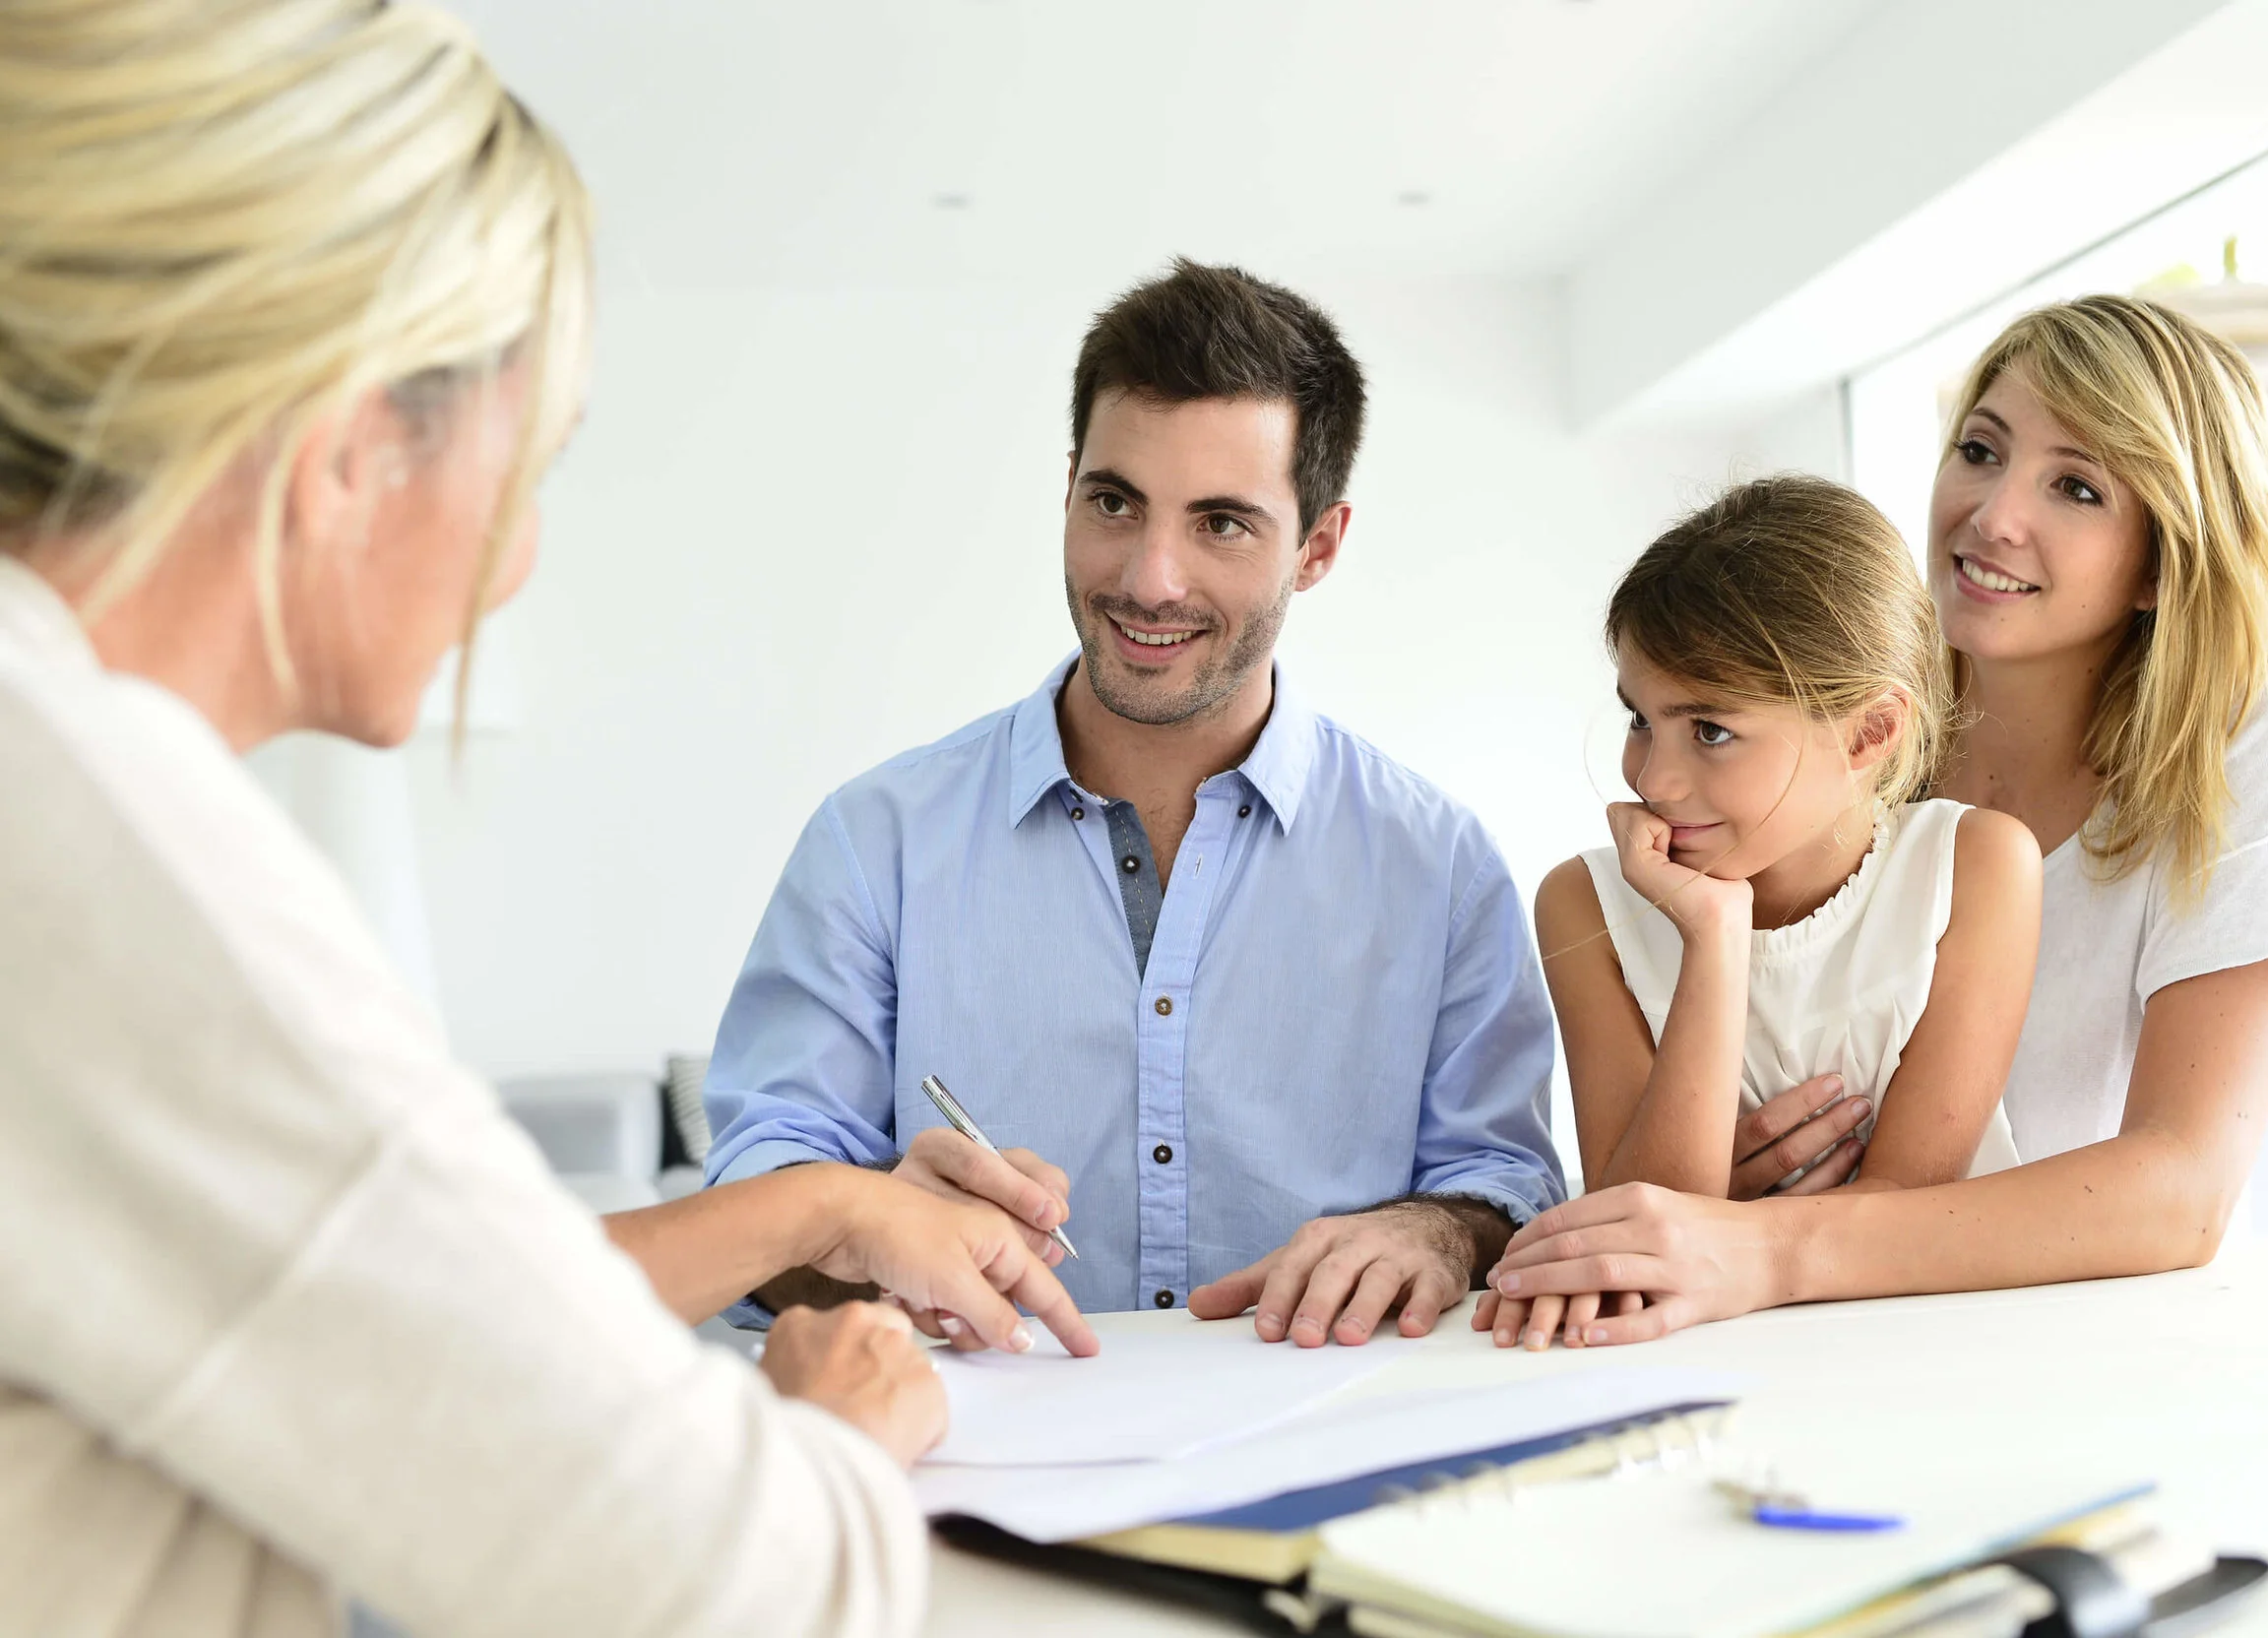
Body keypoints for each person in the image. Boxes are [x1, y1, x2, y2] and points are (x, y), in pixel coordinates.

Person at [0, 5, 1091, 1634]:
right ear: (360, 436)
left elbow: (392, 1300)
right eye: (534, 464)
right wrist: (856, 1421)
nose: (513, 565)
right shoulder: (103, 840)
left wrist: (823, 1202)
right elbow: (736, 1587)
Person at [703, 259, 1565, 1348]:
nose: (1150, 578)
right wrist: (854, 1229)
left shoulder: (1437, 863)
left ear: (1319, 545)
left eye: (1221, 523)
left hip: (1324, 1444)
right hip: (980, 1460)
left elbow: (1506, 1178)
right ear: (1068, 489)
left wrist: (1437, 1232)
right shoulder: (874, 842)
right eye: (1115, 503)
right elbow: (758, 1186)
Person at [1481, 294, 2268, 1347]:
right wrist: (1718, 1193)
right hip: (1819, 1333)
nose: (1991, 515)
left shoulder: (2230, 747)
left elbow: (2181, 1189)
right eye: (1980, 449)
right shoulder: (1832, 716)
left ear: (2162, 560)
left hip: (2100, 1339)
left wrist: (1769, 1241)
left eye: (2073, 486)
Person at [1489, 476, 2040, 1351]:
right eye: (1641, 719)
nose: (1652, 780)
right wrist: (1712, 937)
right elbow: (1636, 1250)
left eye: (1709, 729)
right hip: (1696, 1363)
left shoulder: (1974, 869)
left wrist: (1728, 1221)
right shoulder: (1585, 904)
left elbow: (1907, 1211)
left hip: (1931, 1348)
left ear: (1867, 736)